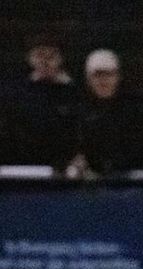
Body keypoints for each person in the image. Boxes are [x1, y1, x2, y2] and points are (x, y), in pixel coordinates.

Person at [67, 49, 143, 178]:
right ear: (88, 78)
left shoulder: (138, 108)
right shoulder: (76, 109)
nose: (103, 80)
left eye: (109, 74)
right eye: (97, 75)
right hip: (88, 185)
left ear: (118, 76)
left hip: (131, 182)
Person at [4, 33, 80, 169]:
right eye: (40, 55)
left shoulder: (74, 93)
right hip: (25, 167)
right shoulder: (15, 94)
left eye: (51, 56)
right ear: (30, 59)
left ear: (60, 59)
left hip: (62, 170)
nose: (45, 61)